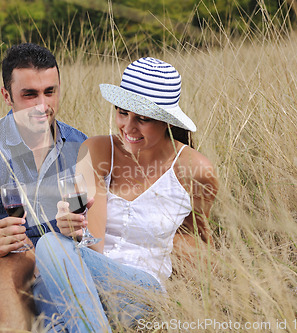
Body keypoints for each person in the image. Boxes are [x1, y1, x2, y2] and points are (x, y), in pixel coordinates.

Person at [34, 57, 219, 331]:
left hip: (141, 292)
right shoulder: (96, 150)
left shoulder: (196, 169)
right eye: (122, 113)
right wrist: (73, 226)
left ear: (167, 121)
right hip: (88, 277)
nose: (128, 128)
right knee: (54, 248)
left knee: (49, 247)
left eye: (143, 119)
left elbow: (195, 238)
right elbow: (92, 243)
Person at [0, 43, 87, 329]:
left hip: (61, 263)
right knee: (16, 258)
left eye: (50, 91)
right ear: (6, 96)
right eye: (29, 94)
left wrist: (80, 230)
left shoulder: (79, 145)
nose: (42, 105)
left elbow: (93, 225)